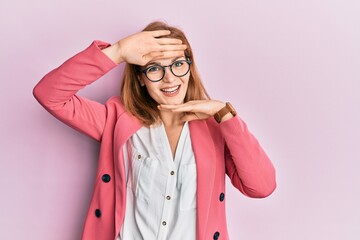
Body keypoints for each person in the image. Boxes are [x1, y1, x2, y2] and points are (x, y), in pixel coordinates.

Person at [33, 21, 276, 240]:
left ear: (190, 69)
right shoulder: (117, 119)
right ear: (141, 78)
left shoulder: (216, 127)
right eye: (154, 69)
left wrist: (226, 115)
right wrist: (117, 52)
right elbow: (49, 95)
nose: (169, 79)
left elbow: (261, 186)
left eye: (178, 64)